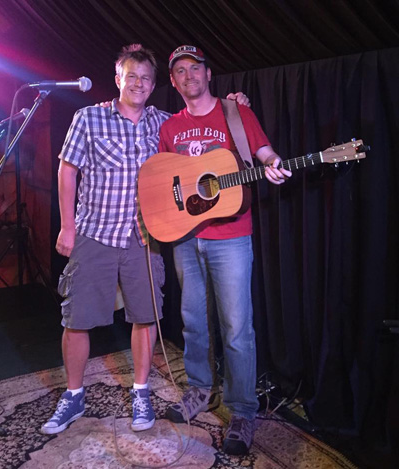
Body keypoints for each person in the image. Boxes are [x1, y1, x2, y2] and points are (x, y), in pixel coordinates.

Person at [41, 43, 250, 435]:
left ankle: (140, 392)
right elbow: (67, 171)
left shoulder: (164, 124)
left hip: (144, 238)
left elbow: (201, 123)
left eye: (145, 79)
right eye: (131, 77)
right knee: (77, 320)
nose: (138, 84)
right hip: (95, 234)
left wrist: (235, 105)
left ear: (154, 85)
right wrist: (67, 227)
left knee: (144, 316)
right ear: (118, 79)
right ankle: (73, 395)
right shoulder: (88, 118)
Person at [159, 45, 292, 455]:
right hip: (187, 238)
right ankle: (200, 390)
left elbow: (264, 151)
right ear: (173, 81)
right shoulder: (170, 127)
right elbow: (166, 180)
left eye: (194, 68)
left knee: (236, 328)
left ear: (208, 73)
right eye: (180, 71)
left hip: (231, 237)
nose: (189, 76)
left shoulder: (236, 112)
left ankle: (242, 410)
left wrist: (273, 163)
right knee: (193, 322)